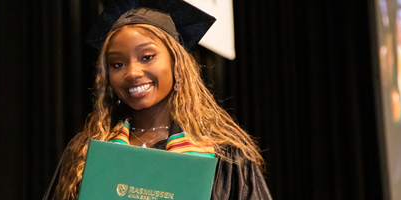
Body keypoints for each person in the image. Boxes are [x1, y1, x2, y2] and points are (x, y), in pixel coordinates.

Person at [43, 0, 271, 199]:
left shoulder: (224, 157)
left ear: (177, 64)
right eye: (117, 64)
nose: (132, 72)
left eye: (147, 57)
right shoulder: (86, 154)